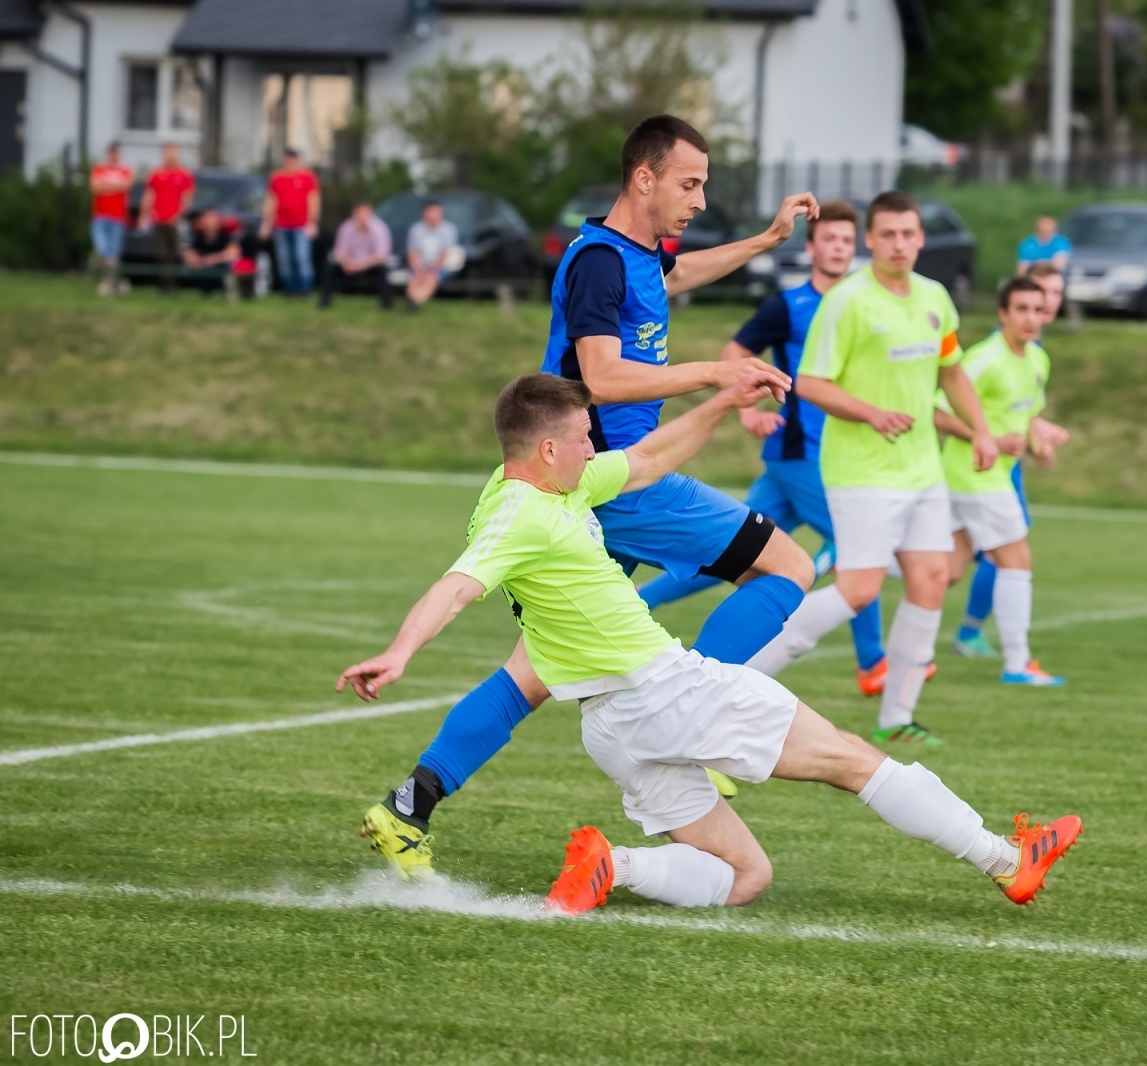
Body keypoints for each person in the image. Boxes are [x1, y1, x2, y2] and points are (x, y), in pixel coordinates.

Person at [335, 372, 1082, 913]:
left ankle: (612, 865)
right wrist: (400, 651)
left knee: (746, 876)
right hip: (666, 691)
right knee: (854, 760)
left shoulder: (549, 483)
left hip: (612, 728)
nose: (594, 445)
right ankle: (1007, 860)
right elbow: (457, 586)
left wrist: (722, 401)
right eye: (584, 437)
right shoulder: (519, 516)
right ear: (551, 449)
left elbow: (652, 458)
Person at [352, 115, 822, 873]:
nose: (700, 200)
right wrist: (714, 373)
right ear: (644, 178)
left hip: (585, 489)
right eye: (690, 184)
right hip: (617, 478)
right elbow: (600, 378)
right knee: (789, 569)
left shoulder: (634, 256)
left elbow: (675, 279)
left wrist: (767, 242)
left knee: (532, 673)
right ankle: (696, 726)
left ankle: (410, 806)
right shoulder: (601, 264)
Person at [633, 199, 923, 697]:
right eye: (827, 239)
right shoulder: (789, 305)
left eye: (844, 241)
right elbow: (733, 354)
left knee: (736, 554)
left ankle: (641, 603)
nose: (837, 248)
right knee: (859, 550)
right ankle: (874, 664)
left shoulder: (863, 304)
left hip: (838, 455)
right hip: (799, 454)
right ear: (811, 247)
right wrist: (748, 412)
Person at [746, 190, 998, 748]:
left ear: (921, 238)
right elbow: (809, 382)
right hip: (860, 471)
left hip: (922, 470)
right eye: (888, 235)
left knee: (931, 580)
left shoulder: (935, 298)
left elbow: (952, 371)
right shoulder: (848, 301)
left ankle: (897, 716)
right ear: (871, 240)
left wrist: (979, 429)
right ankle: (742, 679)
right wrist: (871, 413)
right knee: (858, 590)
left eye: (909, 234)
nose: (900, 244)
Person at [934, 277, 1066, 686]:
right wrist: (985, 438)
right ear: (1003, 314)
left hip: (978, 478)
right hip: (975, 477)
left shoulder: (1037, 360)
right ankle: (1017, 664)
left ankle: (861, 570)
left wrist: (1039, 442)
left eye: (1038, 310)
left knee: (947, 570)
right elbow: (937, 411)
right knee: (1016, 560)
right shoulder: (984, 358)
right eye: (1021, 309)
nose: (1031, 318)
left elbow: (1022, 418)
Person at [260, 147, 320, 296]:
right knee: (284, 258)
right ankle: (289, 289)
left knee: (301, 257)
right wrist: (267, 222)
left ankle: (304, 288)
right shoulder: (277, 177)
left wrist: (312, 222)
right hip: (281, 224)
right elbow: (271, 200)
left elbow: (313, 200)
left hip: (301, 224)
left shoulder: (307, 177)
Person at [138, 142, 194, 294]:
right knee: (161, 254)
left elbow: (187, 198)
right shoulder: (156, 174)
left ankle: (173, 285)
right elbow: (149, 195)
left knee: (175, 253)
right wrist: (144, 215)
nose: (170, 155)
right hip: (158, 220)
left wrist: (178, 215)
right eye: (167, 152)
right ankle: (163, 286)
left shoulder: (184, 174)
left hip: (175, 221)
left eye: (173, 152)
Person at [321, 202, 393, 310]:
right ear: (354, 214)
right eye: (360, 213)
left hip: (370, 264)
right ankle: (324, 302)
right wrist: (346, 263)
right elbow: (339, 251)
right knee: (331, 267)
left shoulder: (379, 228)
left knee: (382, 270)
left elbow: (382, 255)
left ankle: (386, 305)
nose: (362, 217)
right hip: (349, 264)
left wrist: (361, 265)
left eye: (366, 213)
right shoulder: (346, 227)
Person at [89, 143, 133, 297]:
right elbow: (95, 188)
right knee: (101, 249)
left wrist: (105, 185)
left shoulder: (125, 170)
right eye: (111, 153)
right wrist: (115, 186)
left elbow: (126, 186)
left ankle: (107, 283)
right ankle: (115, 282)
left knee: (113, 253)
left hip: (118, 217)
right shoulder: (98, 169)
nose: (114, 156)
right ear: (108, 153)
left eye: (116, 153)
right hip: (100, 217)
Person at [404, 201, 459, 311]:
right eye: (430, 212)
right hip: (420, 265)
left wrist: (431, 269)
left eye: (436, 212)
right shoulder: (416, 229)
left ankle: (415, 301)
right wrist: (418, 268)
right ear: (425, 213)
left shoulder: (449, 230)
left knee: (430, 278)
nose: (433, 215)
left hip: (440, 267)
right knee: (415, 278)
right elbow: (412, 253)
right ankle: (414, 300)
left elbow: (445, 255)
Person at [181, 209, 240, 299]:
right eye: (207, 219)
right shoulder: (199, 236)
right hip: (203, 267)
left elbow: (234, 253)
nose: (209, 222)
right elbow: (189, 254)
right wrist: (198, 260)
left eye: (212, 219)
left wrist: (213, 259)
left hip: (220, 267)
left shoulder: (225, 236)